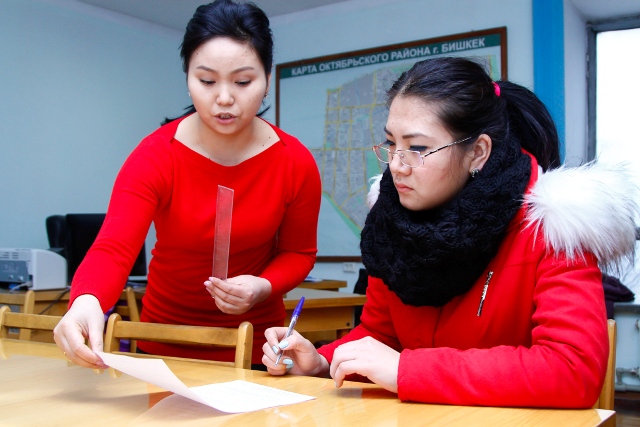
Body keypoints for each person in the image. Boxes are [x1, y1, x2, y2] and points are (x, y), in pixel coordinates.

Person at [262, 57, 639, 407]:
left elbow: (572, 370)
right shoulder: (393, 224)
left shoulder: (552, 227)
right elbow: (381, 335)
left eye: (418, 147)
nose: (396, 165)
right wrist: (319, 361)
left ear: (478, 153)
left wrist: (408, 372)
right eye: (392, 143)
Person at [54, 0, 321, 370]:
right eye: (207, 81)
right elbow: (114, 249)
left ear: (267, 80)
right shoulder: (155, 156)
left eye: (243, 81)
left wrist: (261, 287)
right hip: (165, 345)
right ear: (187, 77)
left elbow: (299, 252)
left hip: (258, 348)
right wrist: (86, 300)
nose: (224, 98)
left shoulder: (295, 162)